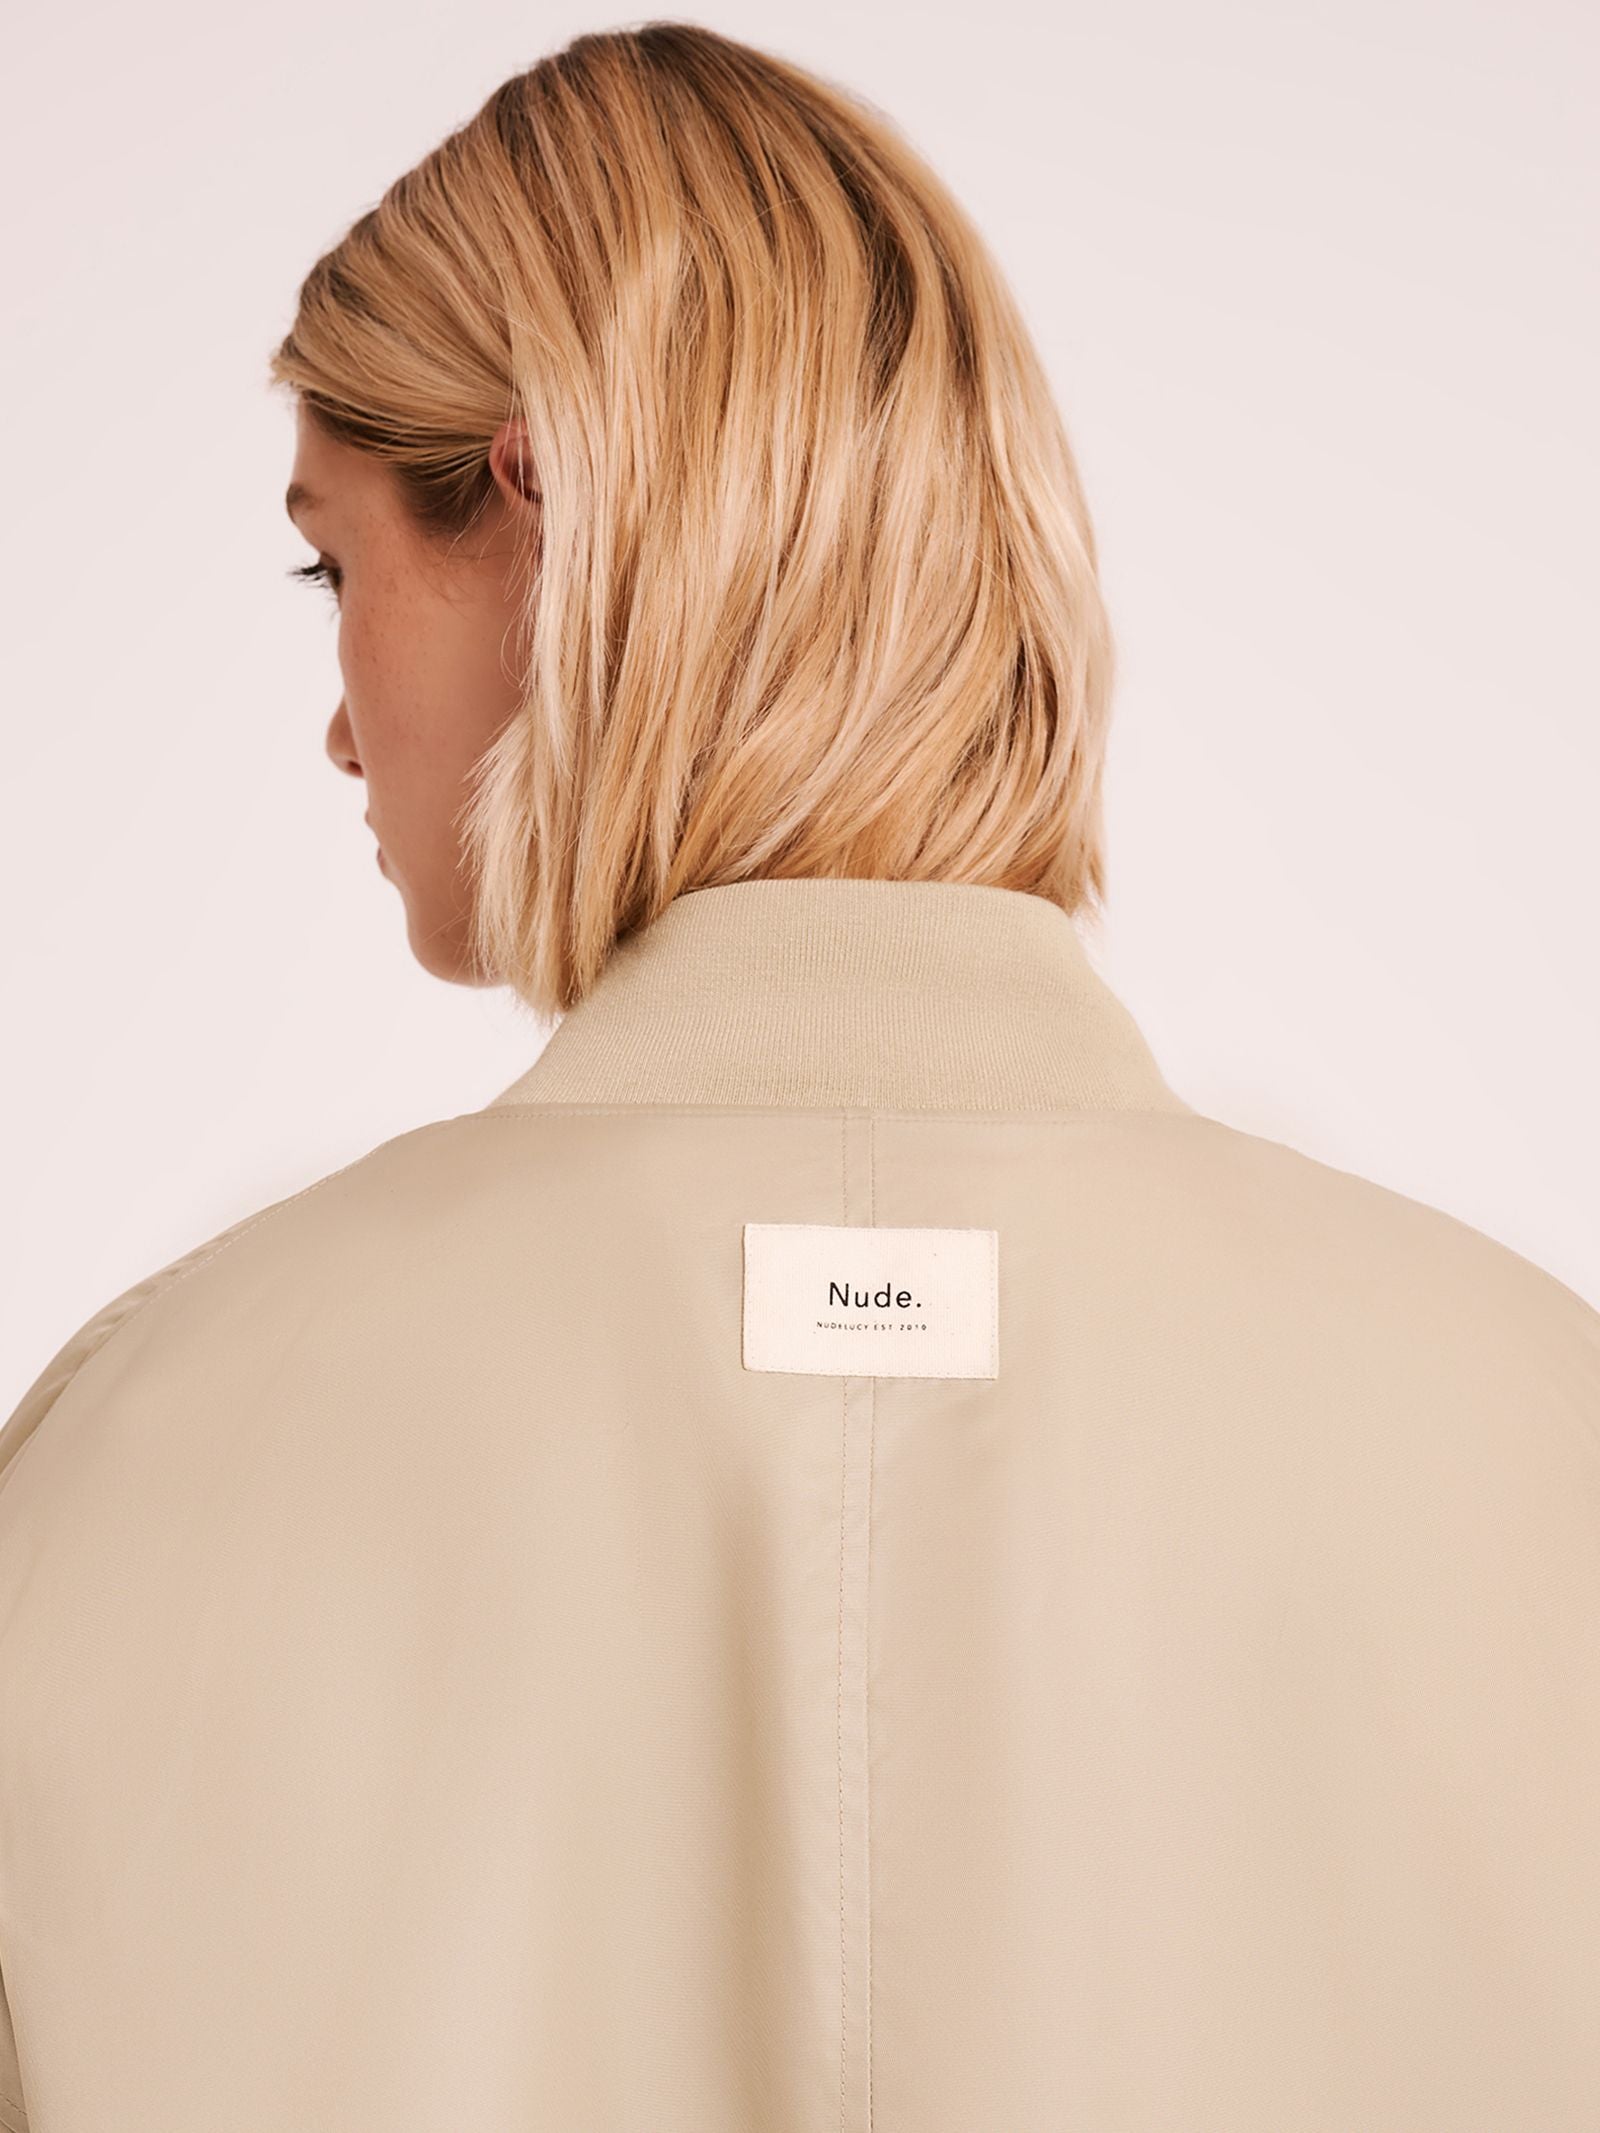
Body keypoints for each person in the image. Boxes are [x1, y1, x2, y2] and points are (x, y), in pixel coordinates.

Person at [1, 22, 1596, 2131]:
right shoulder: (1542, 1446)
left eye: (334, 561)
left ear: (540, 501)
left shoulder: (128, 1467)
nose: (337, 719)